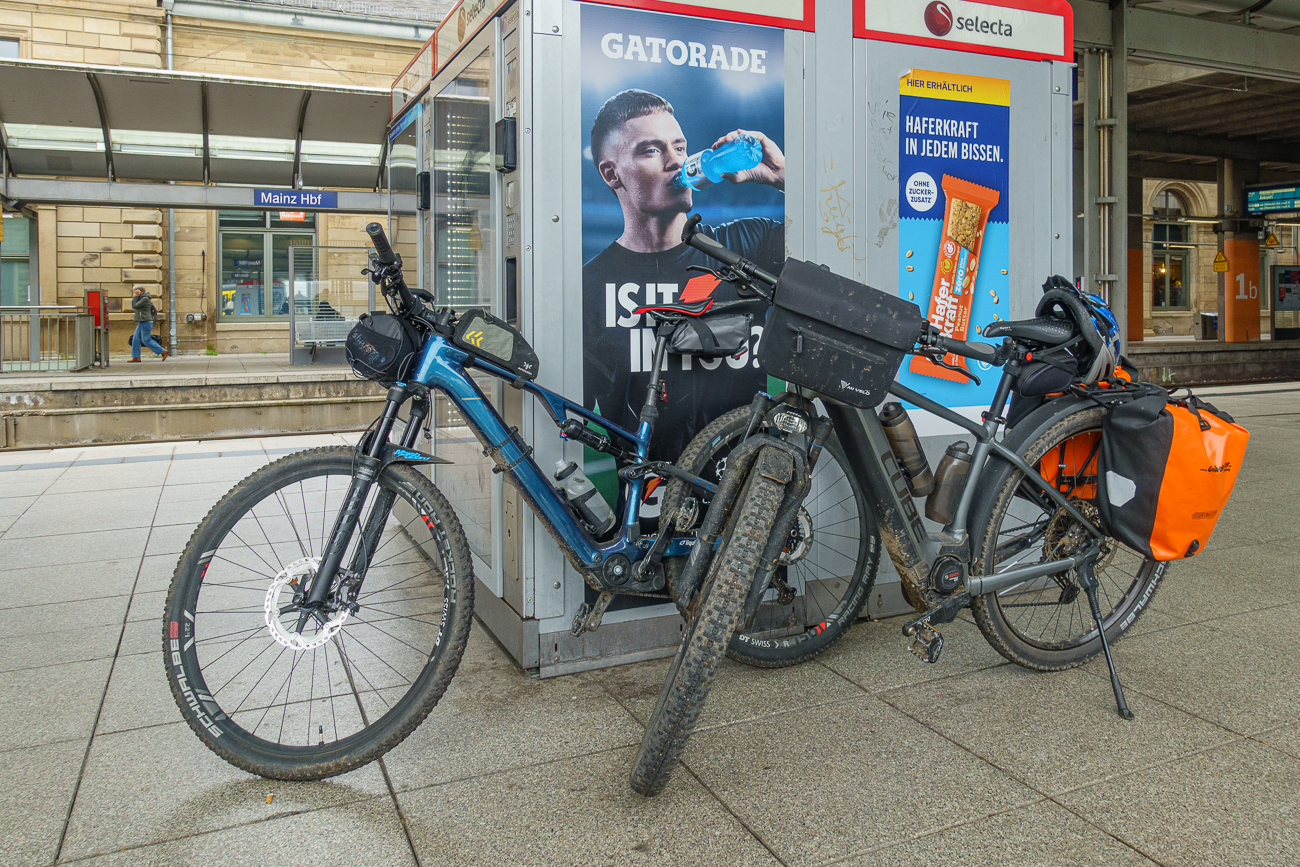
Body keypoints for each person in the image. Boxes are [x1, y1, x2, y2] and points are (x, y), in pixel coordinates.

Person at [582, 88, 786, 461]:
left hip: (749, 503)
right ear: (612, 174)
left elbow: (836, 246)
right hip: (647, 508)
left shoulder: (747, 243)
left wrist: (783, 177)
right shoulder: (590, 285)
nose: (675, 162)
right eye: (652, 150)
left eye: (679, 147)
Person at [129, 287, 168, 362]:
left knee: (146, 339)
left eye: (136, 291)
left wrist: (136, 297)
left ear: (140, 291)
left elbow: (134, 306)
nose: (134, 292)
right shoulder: (141, 298)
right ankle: (136, 357)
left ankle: (162, 351)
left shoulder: (145, 298)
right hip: (142, 321)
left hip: (146, 321)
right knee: (136, 339)